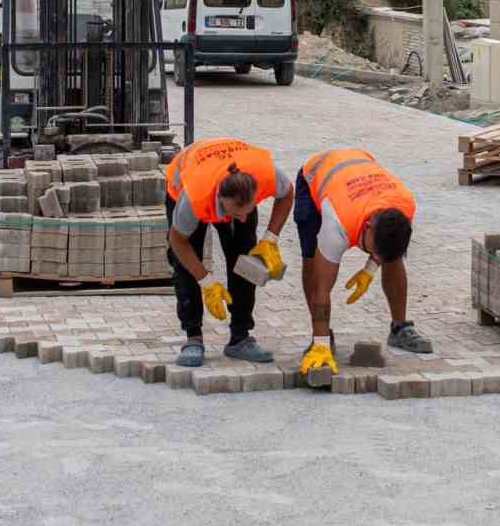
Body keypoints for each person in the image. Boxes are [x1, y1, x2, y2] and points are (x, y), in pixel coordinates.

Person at [294, 146, 432, 376]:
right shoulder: (337, 223)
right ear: (366, 229)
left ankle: (400, 329)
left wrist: (371, 266)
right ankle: (322, 338)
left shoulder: (404, 205)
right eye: (374, 251)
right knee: (312, 261)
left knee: (394, 257)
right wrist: (320, 342)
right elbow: (321, 288)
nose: (377, 256)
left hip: (360, 166)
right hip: (316, 176)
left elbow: (387, 250)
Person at [165, 137, 294, 368]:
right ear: (221, 201)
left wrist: (270, 239)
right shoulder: (195, 197)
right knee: (185, 267)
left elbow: (287, 193)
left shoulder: (264, 174)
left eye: (250, 210)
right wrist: (206, 281)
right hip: (187, 181)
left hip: (230, 175)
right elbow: (178, 240)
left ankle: (240, 338)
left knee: (247, 262)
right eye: (238, 213)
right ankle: (193, 337)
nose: (244, 218)